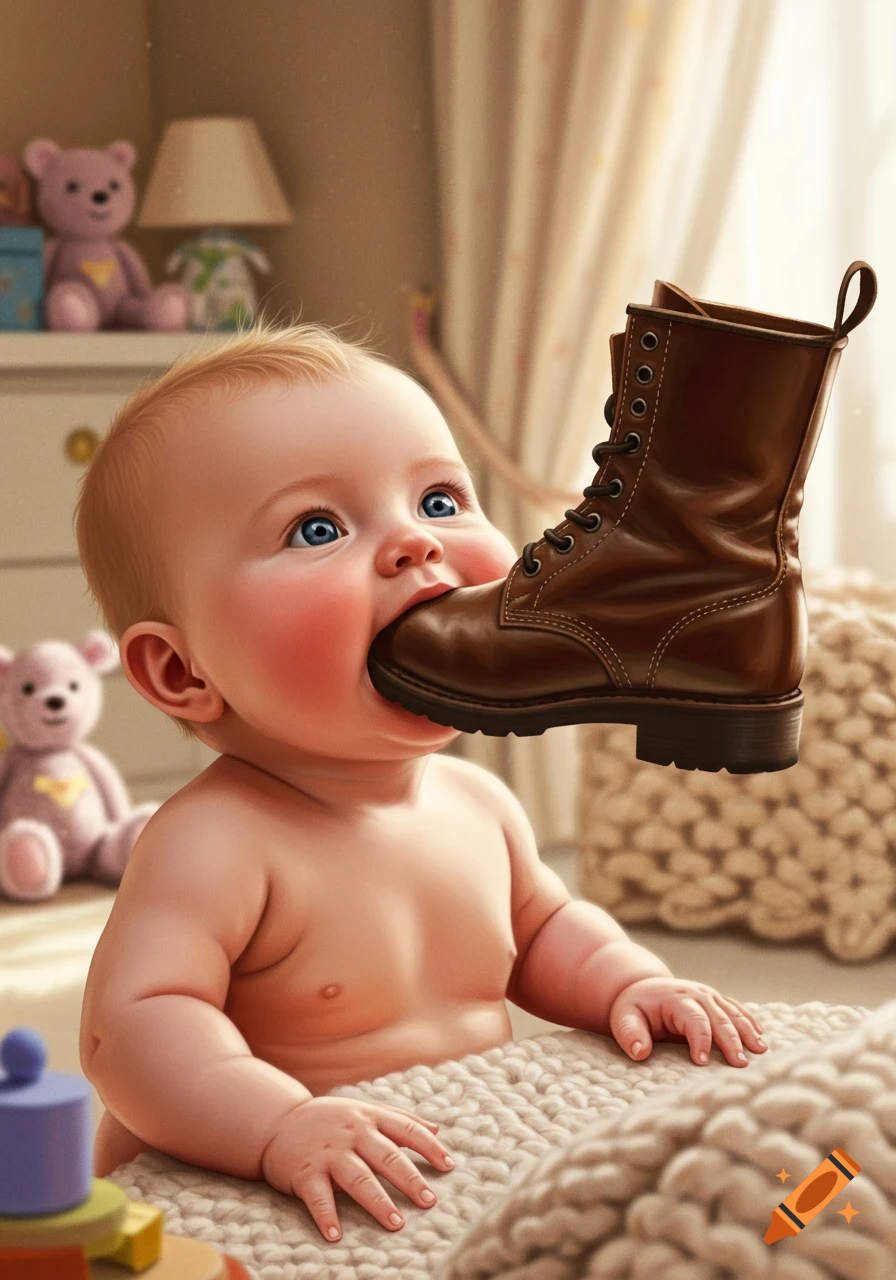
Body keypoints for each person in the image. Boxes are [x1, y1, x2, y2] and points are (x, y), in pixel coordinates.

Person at [75, 321, 767, 1244]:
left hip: (448, 1176)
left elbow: (545, 933)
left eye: (441, 500)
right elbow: (131, 1030)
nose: (414, 543)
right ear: (182, 672)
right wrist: (275, 1126)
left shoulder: (477, 803)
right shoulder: (217, 840)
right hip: (259, 1201)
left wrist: (627, 986)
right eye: (316, 528)